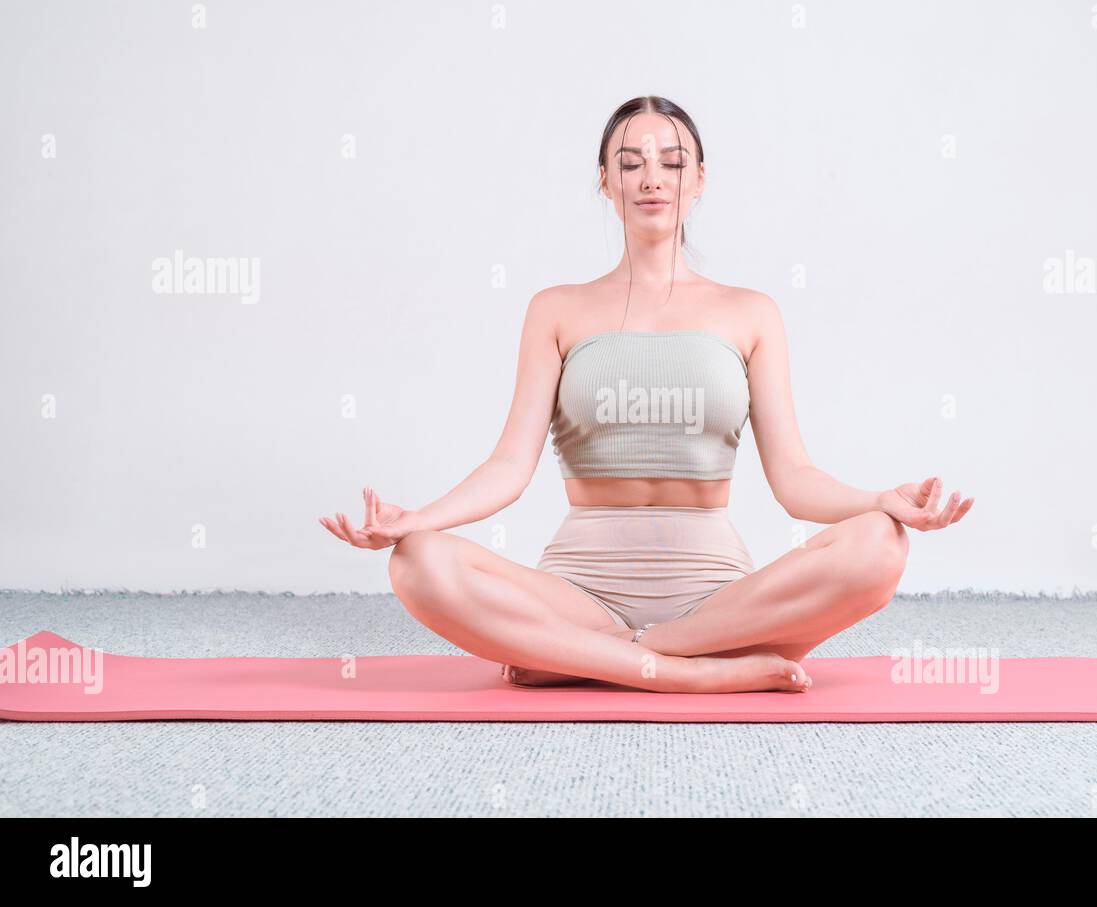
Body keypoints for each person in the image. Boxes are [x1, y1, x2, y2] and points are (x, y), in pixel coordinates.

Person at [320, 95, 973, 694]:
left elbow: (795, 478)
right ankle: (686, 676)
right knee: (416, 563)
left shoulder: (751, 313)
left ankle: (619, 656)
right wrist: (418, 519)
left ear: (699, 180)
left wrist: (877, 500)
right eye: (630, 163)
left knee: (881, 544)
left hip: (718, 605)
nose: (652, 177)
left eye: (671, 161)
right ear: (607, 182)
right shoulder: (556, 309)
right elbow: (507, 467)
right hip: (575, 594)